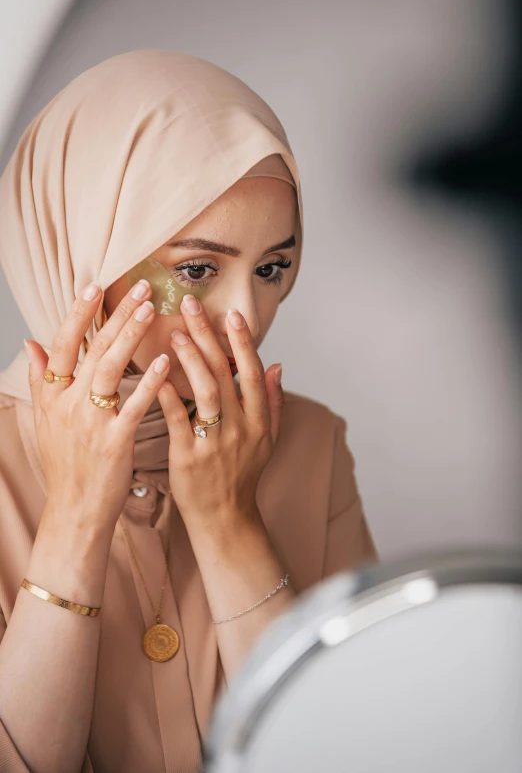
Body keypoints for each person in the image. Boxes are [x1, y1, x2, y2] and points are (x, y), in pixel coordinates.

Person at [0, 49, 378, 773]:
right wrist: (76, 517)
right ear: (83, 257)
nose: (248, 314)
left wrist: (228, 522)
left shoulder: (310, 444)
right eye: (197, 270)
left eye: (272, 269)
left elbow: (344, 752)